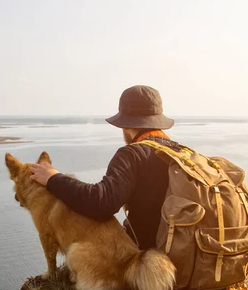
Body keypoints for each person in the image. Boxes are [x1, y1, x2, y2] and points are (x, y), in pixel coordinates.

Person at [29, 85, 182, 250]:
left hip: (150, 260)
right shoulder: (180, 152)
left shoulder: (132, 154)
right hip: (183, 253)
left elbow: (100, 203)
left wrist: (53, 178)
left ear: (125, 125)